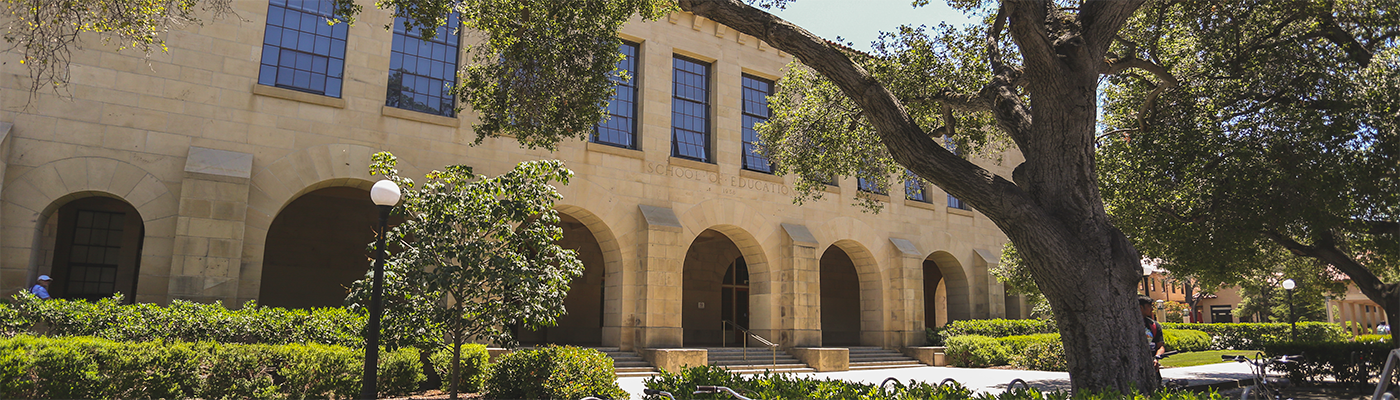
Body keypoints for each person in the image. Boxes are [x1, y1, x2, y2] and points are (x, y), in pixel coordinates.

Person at [1140, 296, 1166, 366]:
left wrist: (1156, 357)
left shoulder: (1154, 325)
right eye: (1149, 306)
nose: (1152, 309)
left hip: (1152, 365)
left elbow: (1160, 346)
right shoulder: (1128, 325)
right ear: (1140, 307)